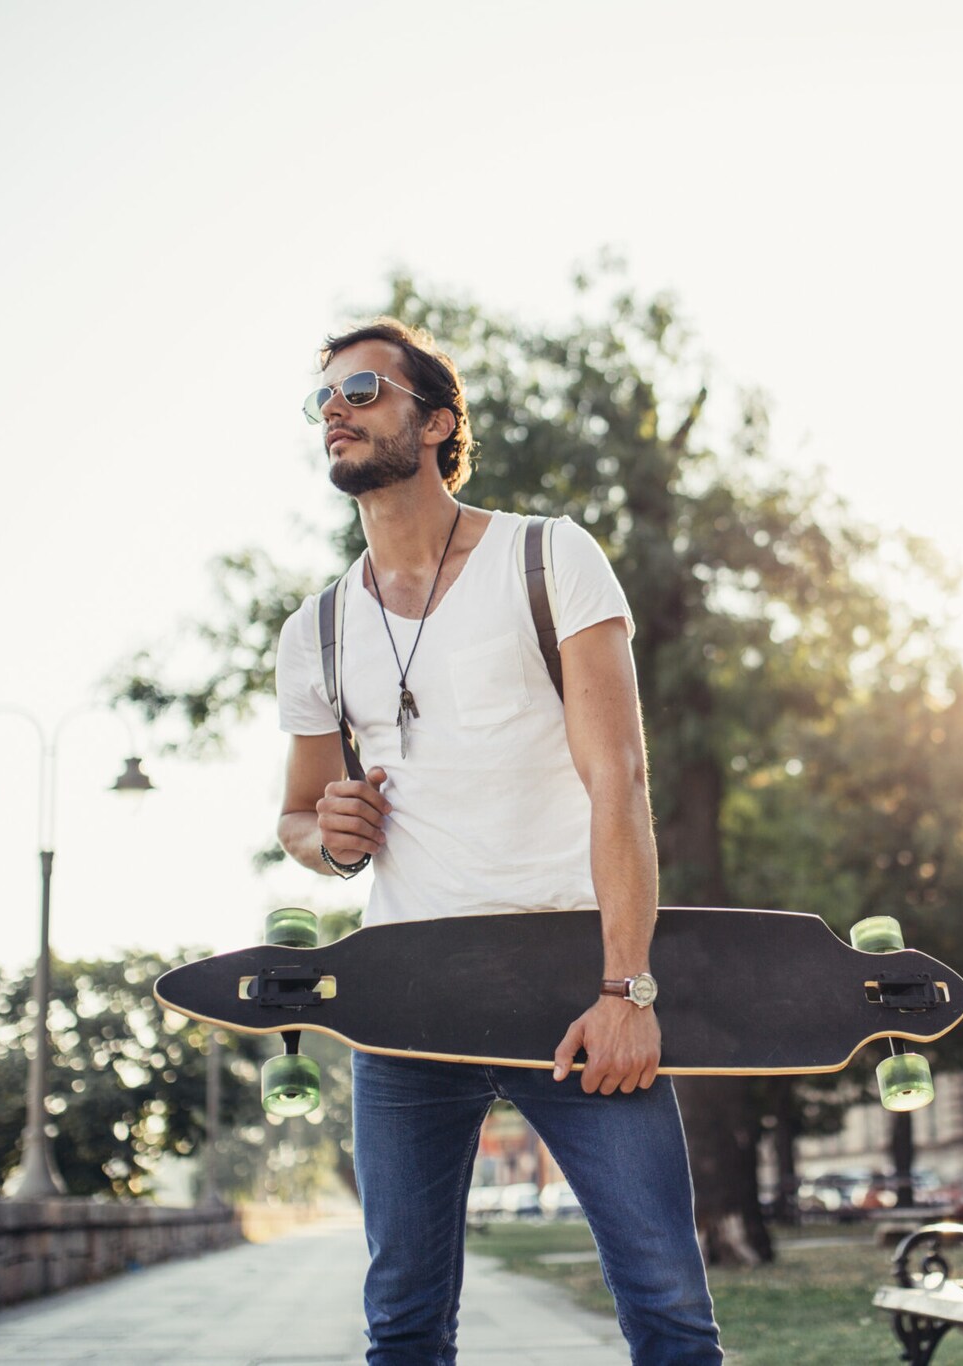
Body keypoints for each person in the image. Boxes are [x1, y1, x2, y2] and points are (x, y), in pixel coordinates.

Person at [272, 318, 722, 1365]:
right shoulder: (318, 629)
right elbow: (300, 818)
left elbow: (619, 779)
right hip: (403, 995)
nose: (335, 410)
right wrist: (328, 835)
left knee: (665, 1309)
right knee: (403, 1323)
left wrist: (626, 990)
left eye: (365, 390)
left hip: (569, 979)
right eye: (324, 399)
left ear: (435, 422)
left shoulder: (546, 555)